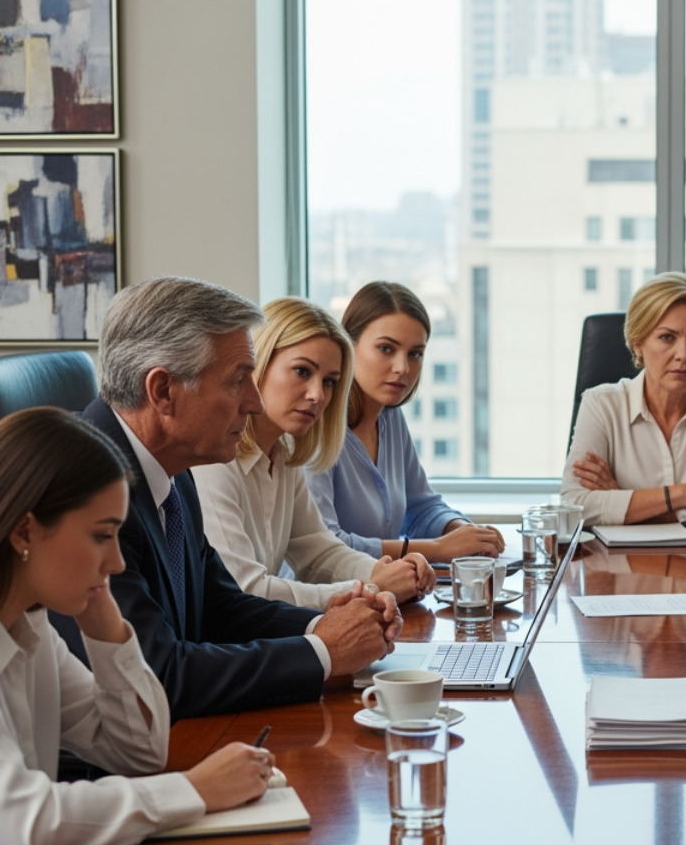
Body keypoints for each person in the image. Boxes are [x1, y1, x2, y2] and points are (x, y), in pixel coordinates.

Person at [0, 408, 277, 845]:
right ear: (24, 531)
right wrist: (194, 789)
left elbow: (136, 751)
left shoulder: (28, 627)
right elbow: (26, 823)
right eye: (103, 536)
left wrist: (102, 617)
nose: (118, 563)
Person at [54, 276, 400, 720]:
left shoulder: (170, 471)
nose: (254, 403)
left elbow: (219, 606)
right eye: (239, 381)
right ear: (162, 391)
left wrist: (322, 624)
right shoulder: (83, 491)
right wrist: (322, 652)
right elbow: (155, 675)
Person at [193, 297, 435, 609]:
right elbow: (246, 591)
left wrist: (385, 570)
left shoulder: (283, 457)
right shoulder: (214, 463)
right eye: (301, 371)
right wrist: (371, 587)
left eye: (330, 381)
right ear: (259, 364)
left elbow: (319, 552)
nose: (318, 395)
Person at [307, 281, 503, 563]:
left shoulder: (389, 416)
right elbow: (326, 545)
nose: (402, 368)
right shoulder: (316, 423)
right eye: (386, 349)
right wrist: (438, 548)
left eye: (415, 354)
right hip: (323, 599)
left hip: (381, 592)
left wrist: (465, 534)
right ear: (349, 345)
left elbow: (420, 507)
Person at [561, 272, 686, 532]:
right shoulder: (601, 404)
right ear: (638, 343)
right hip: (619, 569)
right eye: (667, 337)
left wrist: (623, 501)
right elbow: (575, 506)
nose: (683, 355)